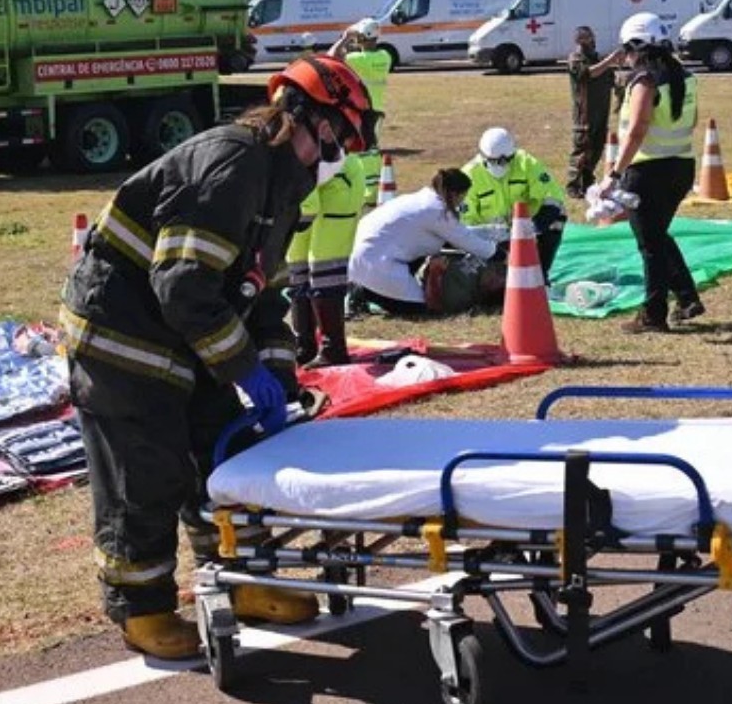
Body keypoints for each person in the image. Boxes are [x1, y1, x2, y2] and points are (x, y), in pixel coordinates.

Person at [60, 54, 379, 661]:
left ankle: (241, 582)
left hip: (186, 333)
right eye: (338, 139)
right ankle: (143, 611)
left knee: (225, 454)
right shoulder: (231, 165)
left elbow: (261, 293)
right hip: (123, 337)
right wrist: (242, 369)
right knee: (146, 475)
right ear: (308, 120)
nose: (337, 155)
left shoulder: (283, 184)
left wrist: (278, 375)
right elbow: (182, 286)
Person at [602, 12, 703, 334]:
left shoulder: (644, 79)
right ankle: (687, 298)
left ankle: (653, 314)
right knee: (657, 234)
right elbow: (692, 120)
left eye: (626, 50)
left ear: (636, 46)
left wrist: (613, 174)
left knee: (650, 245)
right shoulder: (684, 76)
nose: (625, 57)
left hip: (647, 171)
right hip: (682, 166)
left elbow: (637, 129)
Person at [348, 168, 503, 316]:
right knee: (421, 308)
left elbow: (455, 236)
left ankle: (366, 288)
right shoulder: (438, 211)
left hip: (366, 255)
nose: (461, 202)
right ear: (454, 194)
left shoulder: (424, 199)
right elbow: (468, 241)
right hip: (376, 264)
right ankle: (365, 293)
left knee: (420, 260)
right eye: (463, 196)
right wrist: (501, 254)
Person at [286, 148, 368, 367]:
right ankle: (304, 345)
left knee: (325, 268)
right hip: (313, 185)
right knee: (297, 266)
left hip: (340, 185)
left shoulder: (277, 155)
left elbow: (307, 203)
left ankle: (334, 350)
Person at [460, 127, 567, 277]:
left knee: (558, 216)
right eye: (494, 161)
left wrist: (534, 227)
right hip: (491, 238)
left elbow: (553, 196)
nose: (501, 165)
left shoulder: (526, 163)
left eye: (507, 160)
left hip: (528, 228)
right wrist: (492, 238)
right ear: (483, 156)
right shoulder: (469, 176)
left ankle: (541, 274)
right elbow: (466, 223)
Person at [332, 17, 391, 199]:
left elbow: (332, 57)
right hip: (378, 108)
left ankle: (370, 191)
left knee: (365, 150)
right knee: (372, 148)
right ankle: (373, 189)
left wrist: (344, 39)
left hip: (364, 111)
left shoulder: (357, 59)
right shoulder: (385, 56)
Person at [566, 25, 627, 195]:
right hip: (585, 114)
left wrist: (621, 84)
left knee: (597, 147)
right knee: (582, 148)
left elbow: (613, 81)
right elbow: (588, 74)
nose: (590, 41)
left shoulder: (599, 59)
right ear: (578, 41)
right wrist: (610, 60)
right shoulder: (575, 59)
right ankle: (574, 185)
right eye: (585, 38)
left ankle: (587, 180)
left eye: (591, 37)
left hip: (601, 112)